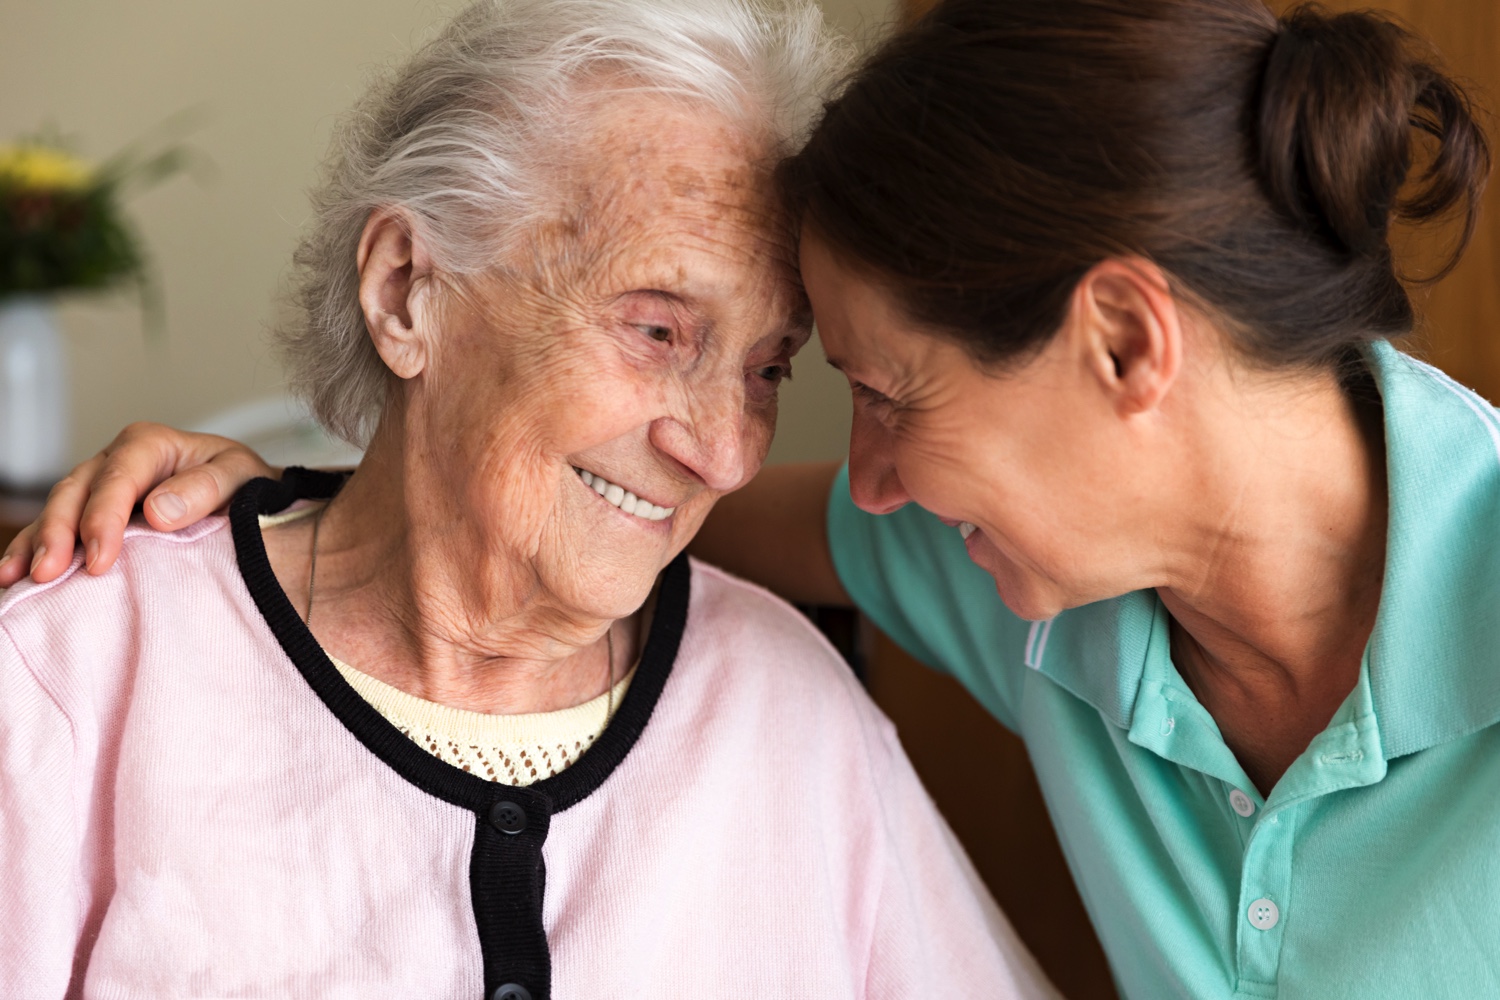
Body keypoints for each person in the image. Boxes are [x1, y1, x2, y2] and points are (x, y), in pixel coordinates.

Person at [10, 0, 1499, 997]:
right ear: (411, 289)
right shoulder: (75, 677)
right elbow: (556, 519)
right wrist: (276, 519)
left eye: (796, 374)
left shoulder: (824, 681)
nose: (737, 457)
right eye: (660, 327)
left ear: (1127, 348)